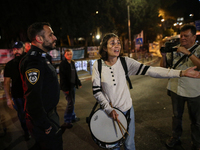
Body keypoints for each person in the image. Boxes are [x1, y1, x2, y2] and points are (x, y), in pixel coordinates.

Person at [92, 33, 200, 150]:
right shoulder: (97, 65)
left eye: (118, 43)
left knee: (129, 144)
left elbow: (152, 70)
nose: (117, 45)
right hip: (110, 113)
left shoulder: (125, 62)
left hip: (127, 110)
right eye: (112, 43)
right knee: (114, 146)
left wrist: (181, 73)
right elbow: (97, 91)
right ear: (104, 48)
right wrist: (108, 109)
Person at [19, 22, 63, 150]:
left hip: (49, 115)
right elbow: (32, 99)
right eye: (51, 35)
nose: (55, 37)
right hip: (44, 120)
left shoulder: (42, 58)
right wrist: (46, 125)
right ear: (39, 39)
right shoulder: (33, 62)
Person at [161, 24, 200, 150]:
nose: (182, 38)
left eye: (186, 36)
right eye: (181, 35)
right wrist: (162, 55)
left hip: (194, 91)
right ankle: (175, 137)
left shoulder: (199, 49)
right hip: (175, 88)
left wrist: (188, 53)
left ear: (193, 37)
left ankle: (196, 142)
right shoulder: (174, 49)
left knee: (196, 119)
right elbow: (163, 67)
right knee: (176, 116)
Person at [4, 41, 30, 140]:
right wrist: (8, 98)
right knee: (22, 116)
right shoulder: (9, 65)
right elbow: (6, 82)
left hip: (30, 95)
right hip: (18, 96)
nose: (16, 51)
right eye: (14, 49)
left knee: (33, 114)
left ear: (23, 49)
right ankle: (26, 132)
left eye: (18, 49)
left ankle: (34, 130)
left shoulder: (29, 62)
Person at [59, 49, 82, 129]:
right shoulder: (63, 64)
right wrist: (65, 88)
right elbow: (63, 78)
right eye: (68, 54)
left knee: (72, 102)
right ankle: (67, 121)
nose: (69, 55)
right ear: (64, 55)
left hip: (72, 86)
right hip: (67, 87)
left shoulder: (72, 63)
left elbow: (75, 74)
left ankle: (72, 117)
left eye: (70, 54)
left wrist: (78, 82)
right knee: (70, 103)